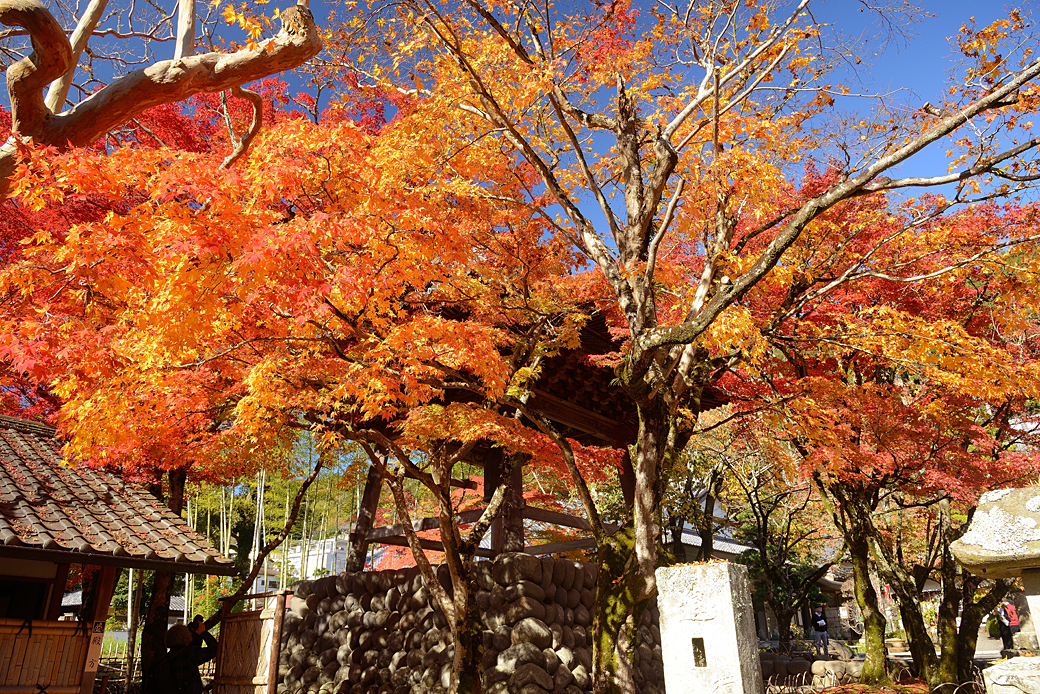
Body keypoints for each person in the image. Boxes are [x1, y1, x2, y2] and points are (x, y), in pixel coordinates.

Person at [158, 616, 219, 694]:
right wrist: (203, 633)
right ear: (186, 638)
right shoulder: (189, 654)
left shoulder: (167, 658)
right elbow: (215, 649)